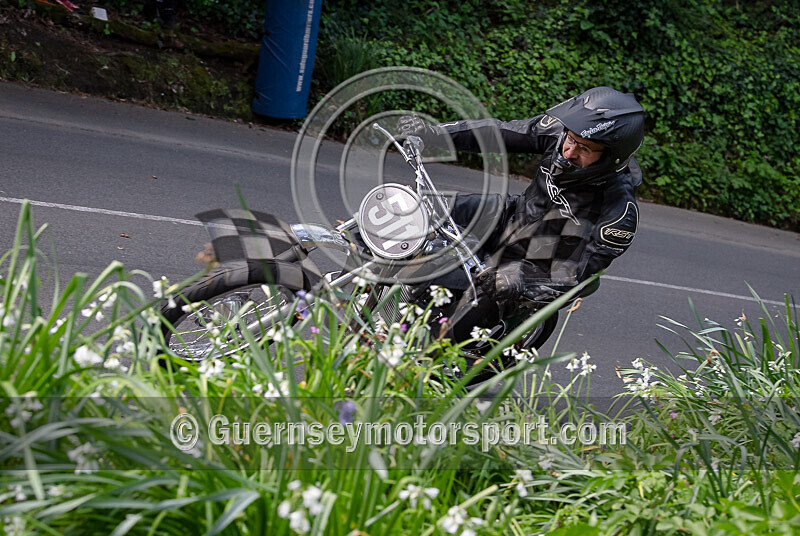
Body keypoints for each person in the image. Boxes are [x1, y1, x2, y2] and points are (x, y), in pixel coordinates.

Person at [397, 86, 645, 341]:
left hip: (531, 266)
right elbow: (500, 133)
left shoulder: (619, 212)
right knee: (417, 208)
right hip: (510, 216)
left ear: (612, 157)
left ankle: (427, 364)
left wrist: (524, 277)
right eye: (571, 140)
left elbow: (581, 272)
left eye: (584, 149)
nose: (569, 152)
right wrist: (435, 134)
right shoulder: (559, 134)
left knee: (465, 316)